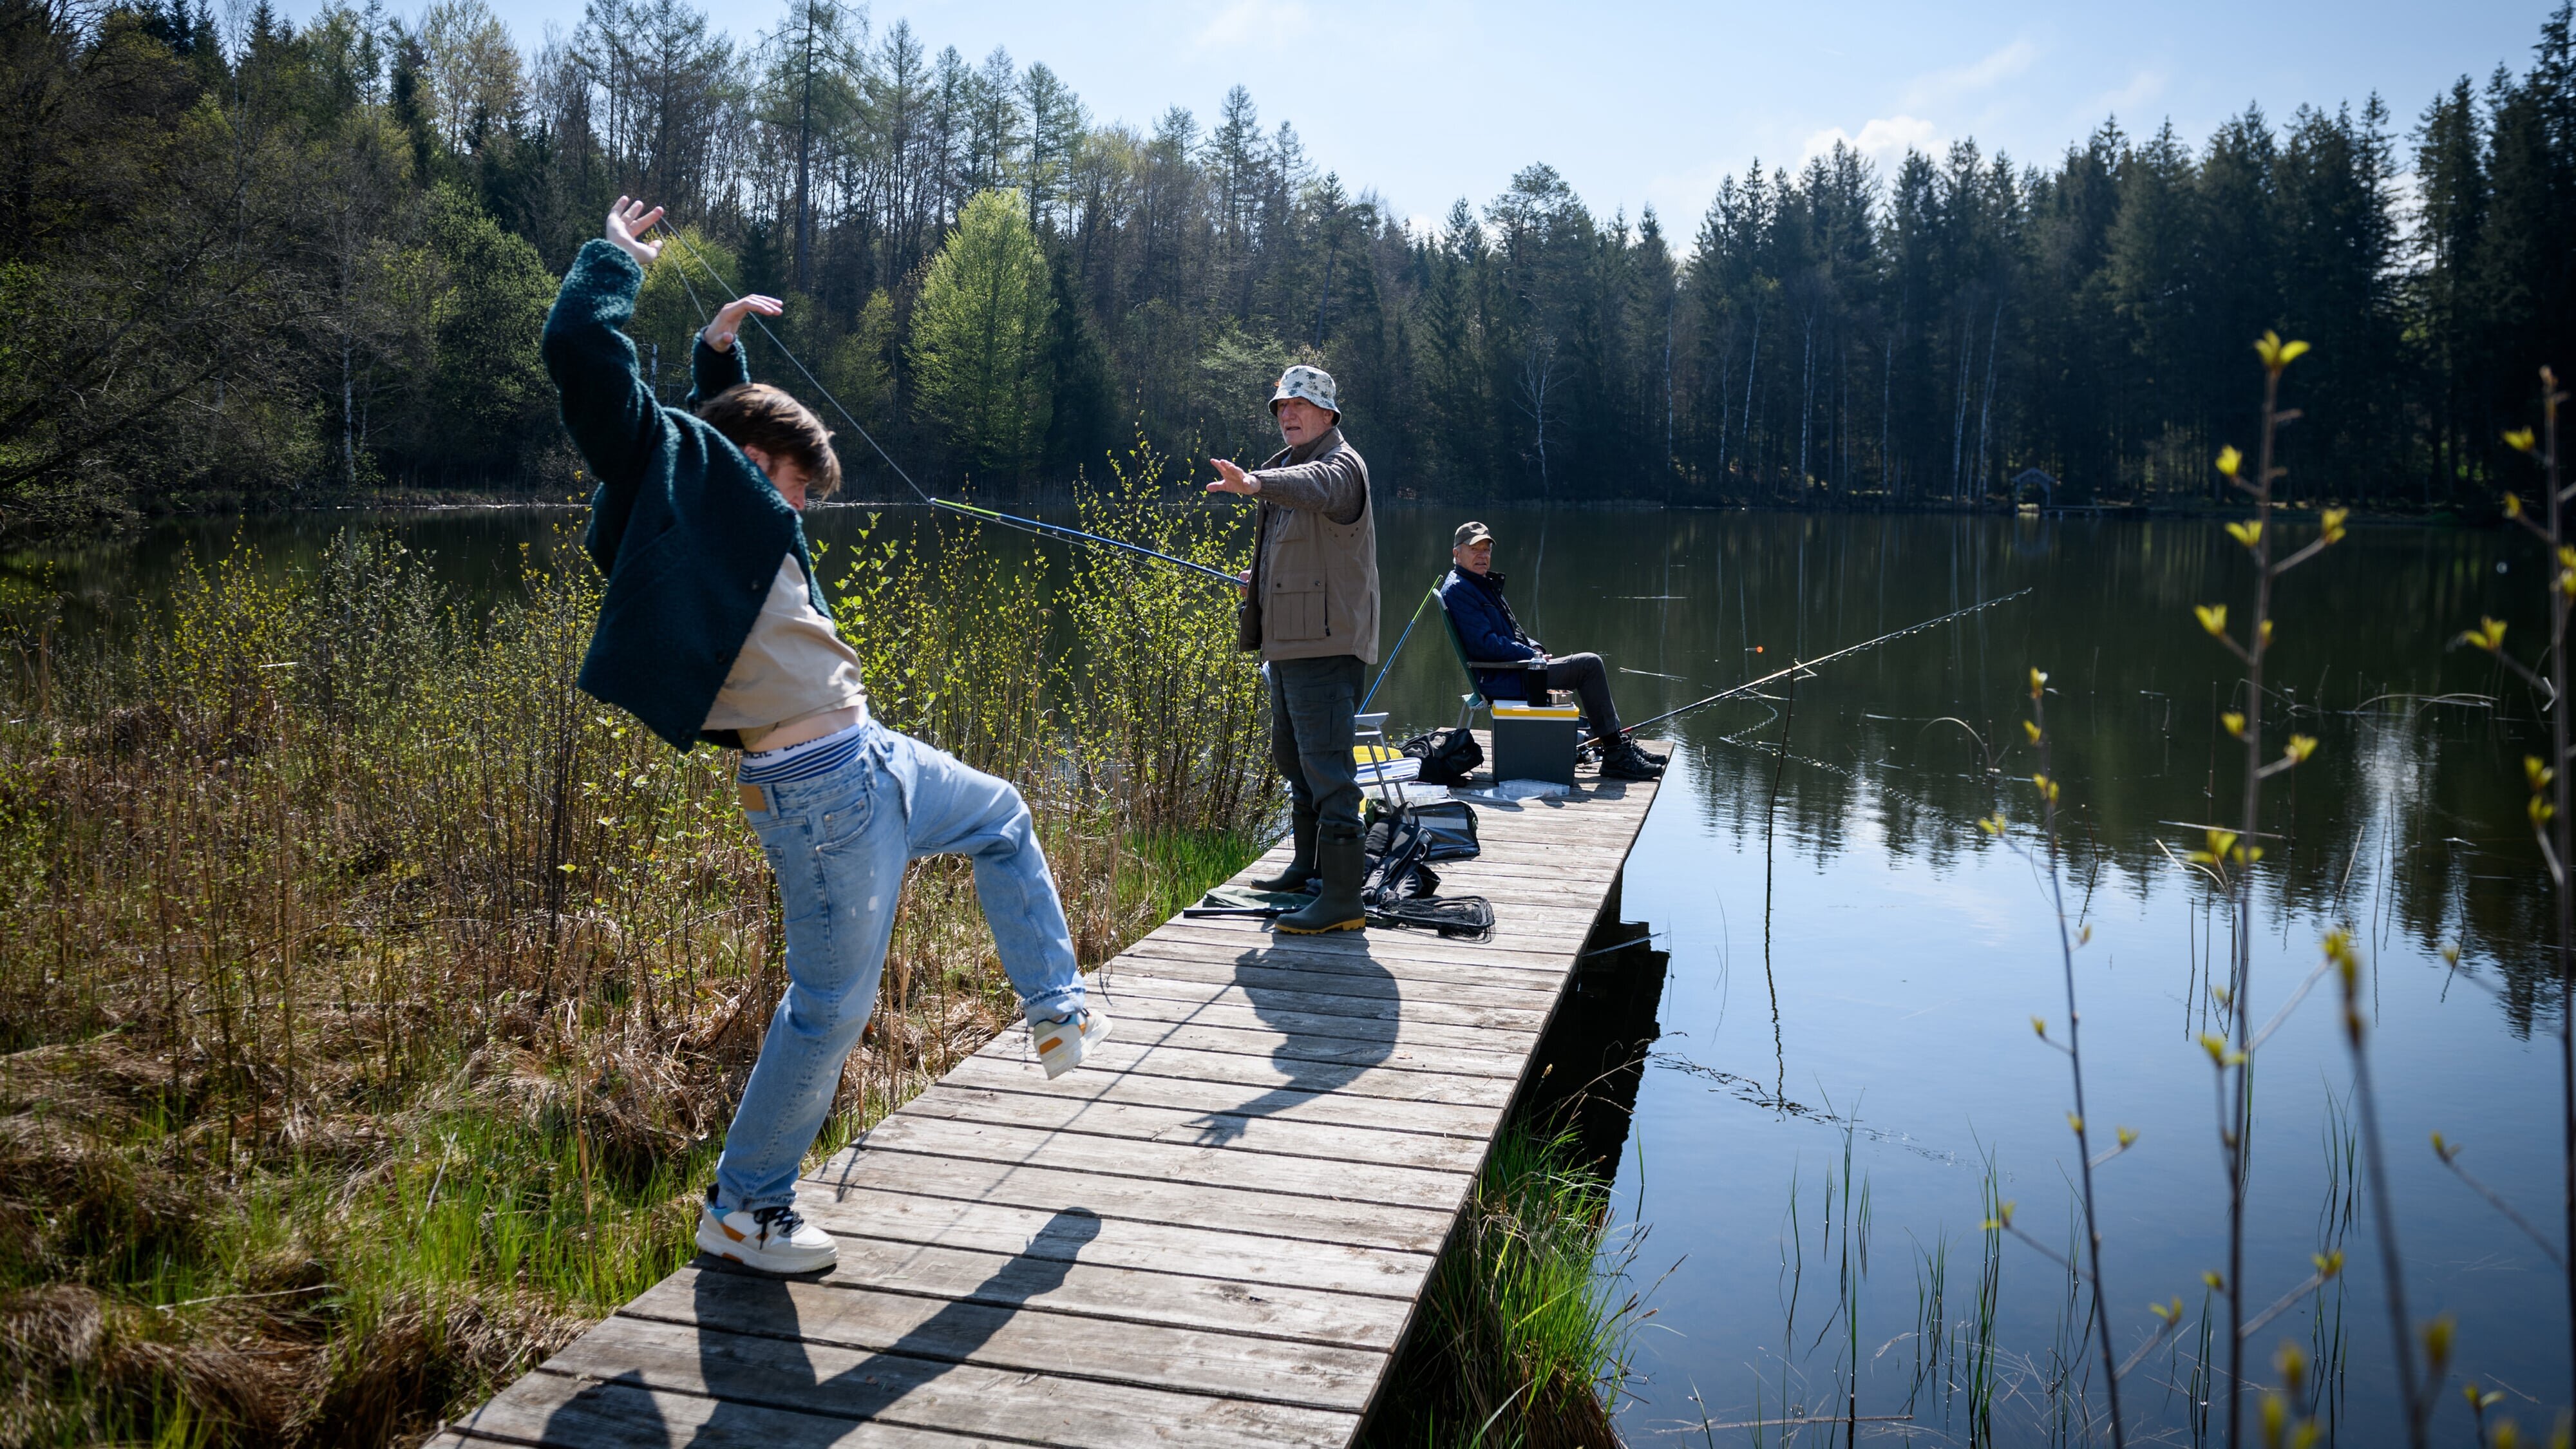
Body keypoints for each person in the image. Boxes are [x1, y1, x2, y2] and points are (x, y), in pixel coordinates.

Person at [542, 198, 1108, 1277]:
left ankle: (1055, 1009)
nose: (801, 508)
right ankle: (745, 1209)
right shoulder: (673, 472)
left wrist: (721, 349)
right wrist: (616, 262)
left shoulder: (741, 502)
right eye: (798, 482)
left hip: (875, 757)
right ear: (756, 460)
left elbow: (731, 444)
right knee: (830, 1010)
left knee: (1003, 816)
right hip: (820, 794)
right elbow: (584, 355)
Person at [1204, 365, 1379, 934]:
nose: (1287, 414)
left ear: (1329, 413)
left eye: (1299, 405)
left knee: (1328, 768)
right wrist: (1260, 580)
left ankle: (1343, 899)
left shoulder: (1340, 467)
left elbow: (1318, 491)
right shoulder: (1285, 469)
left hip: (1326, 646)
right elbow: (1298, 548)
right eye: (1281, 406)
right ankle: (1308, 868)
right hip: (1287, 645)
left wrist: (1254, 484)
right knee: (1293, 758)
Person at [1441, 520, 1667, 781]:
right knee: (1589, 664)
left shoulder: (1478, 583)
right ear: (1457, 553)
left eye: (1487, 549)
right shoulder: (1461, 589)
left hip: (1516, 670)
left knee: (1585, 665)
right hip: (1504, 678)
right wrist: (1530, 657)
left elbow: (1511, 631)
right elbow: (1485, 644)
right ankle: (1617, 753)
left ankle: (1618, 744)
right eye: (1475, 549)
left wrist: (1534, 647)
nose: (1483, 556)